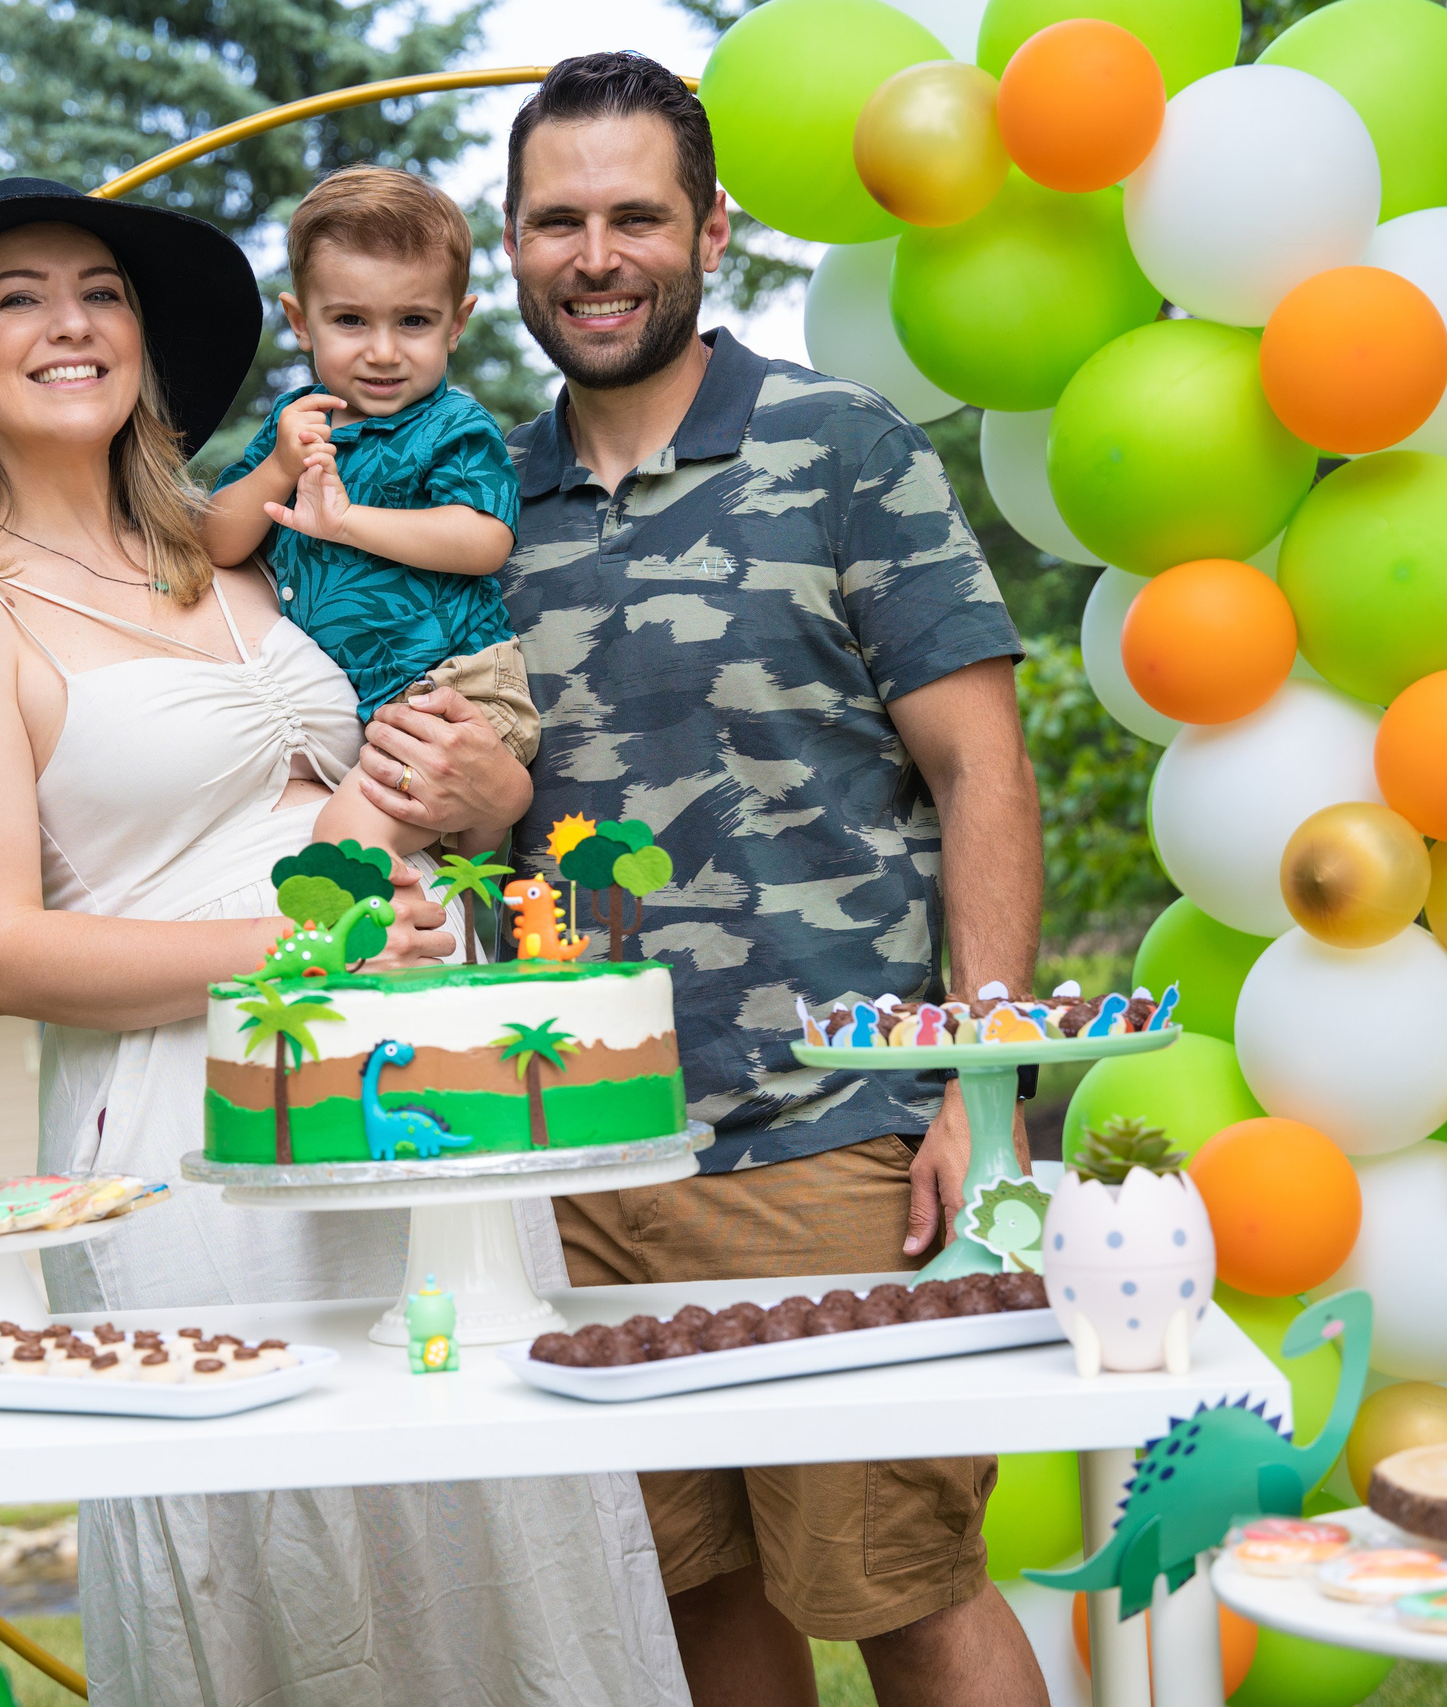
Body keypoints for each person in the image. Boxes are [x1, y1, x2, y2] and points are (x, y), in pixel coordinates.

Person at [0, 177, 685, 1707]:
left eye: (101, 290)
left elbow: (381, 793)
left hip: (409, 1089)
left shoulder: (242, 561)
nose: (72, 320)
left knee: (485, 1520)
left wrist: (482, 804)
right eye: (18, 296)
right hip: (186, 1132)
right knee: (284, 1550)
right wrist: (303, 946)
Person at [497, 55, 1051, 1707]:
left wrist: (981, 1082)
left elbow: (984, 774)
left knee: (903, 1587)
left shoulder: (838, 449)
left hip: (833, 1134)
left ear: (712, 229)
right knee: (687, 1601)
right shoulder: (472, 512)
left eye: (634, 217)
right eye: (557, 221)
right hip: (576, 1166)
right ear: (512, 244)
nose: (596, 255)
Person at [204, 165, 538, 857]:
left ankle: (356, 959)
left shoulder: (452, 425)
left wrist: (347, 520)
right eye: (350, 320)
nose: (383, 352)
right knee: (430, 869)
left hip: (455, 691)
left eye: (413, 321)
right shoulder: (295, 428)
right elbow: (217, 540)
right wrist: (277, 467)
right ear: (301, 321)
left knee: (346, 840)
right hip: (368, 707)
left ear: (456, 325)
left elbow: (483, 539)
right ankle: (422, 948)